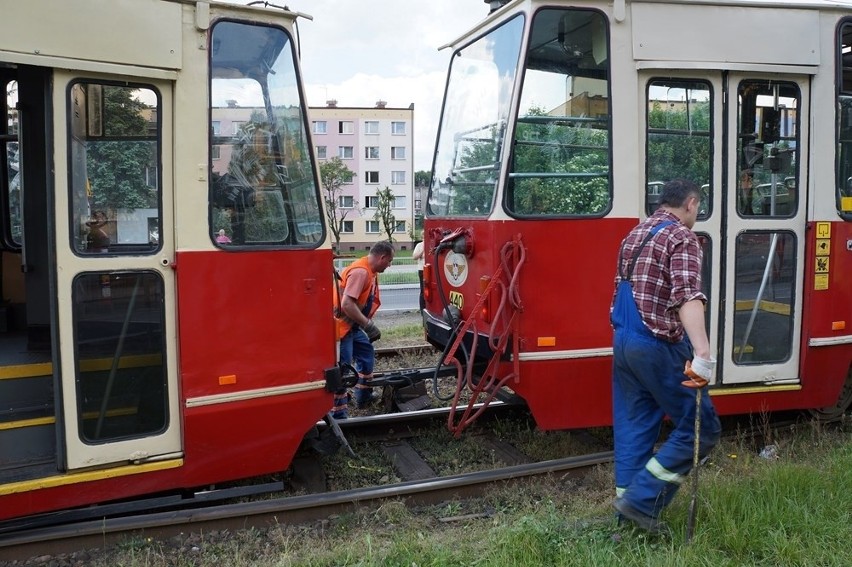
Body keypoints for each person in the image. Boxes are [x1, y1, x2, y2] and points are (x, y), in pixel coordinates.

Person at [610, 178, 721, 534]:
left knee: (634, 430)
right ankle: (641, 503)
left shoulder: (635, 233)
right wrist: (702, 353)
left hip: (624, 344)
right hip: (656, 347)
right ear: (690, 203)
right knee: (702, 430)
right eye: (698, 208)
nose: (697, 215)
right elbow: (687, 295)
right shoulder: (681, 237)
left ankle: (627, 520)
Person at [331, 240, 395, 419]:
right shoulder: (361, 272)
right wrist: (368, 325)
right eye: (389, 261)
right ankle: (338, 415)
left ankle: (363, 396)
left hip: (352, 326)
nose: (389, 265)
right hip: (342, 328)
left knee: (366, 354)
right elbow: (347, 305)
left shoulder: (370, 270)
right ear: (382, 257)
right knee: (342, 372)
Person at [412, 240, 426, 311]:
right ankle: (422, 309)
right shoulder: (419, 245)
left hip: (432, 269)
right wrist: (423, 250)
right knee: (423, 290)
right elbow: (414, 257)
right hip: (422, 270)